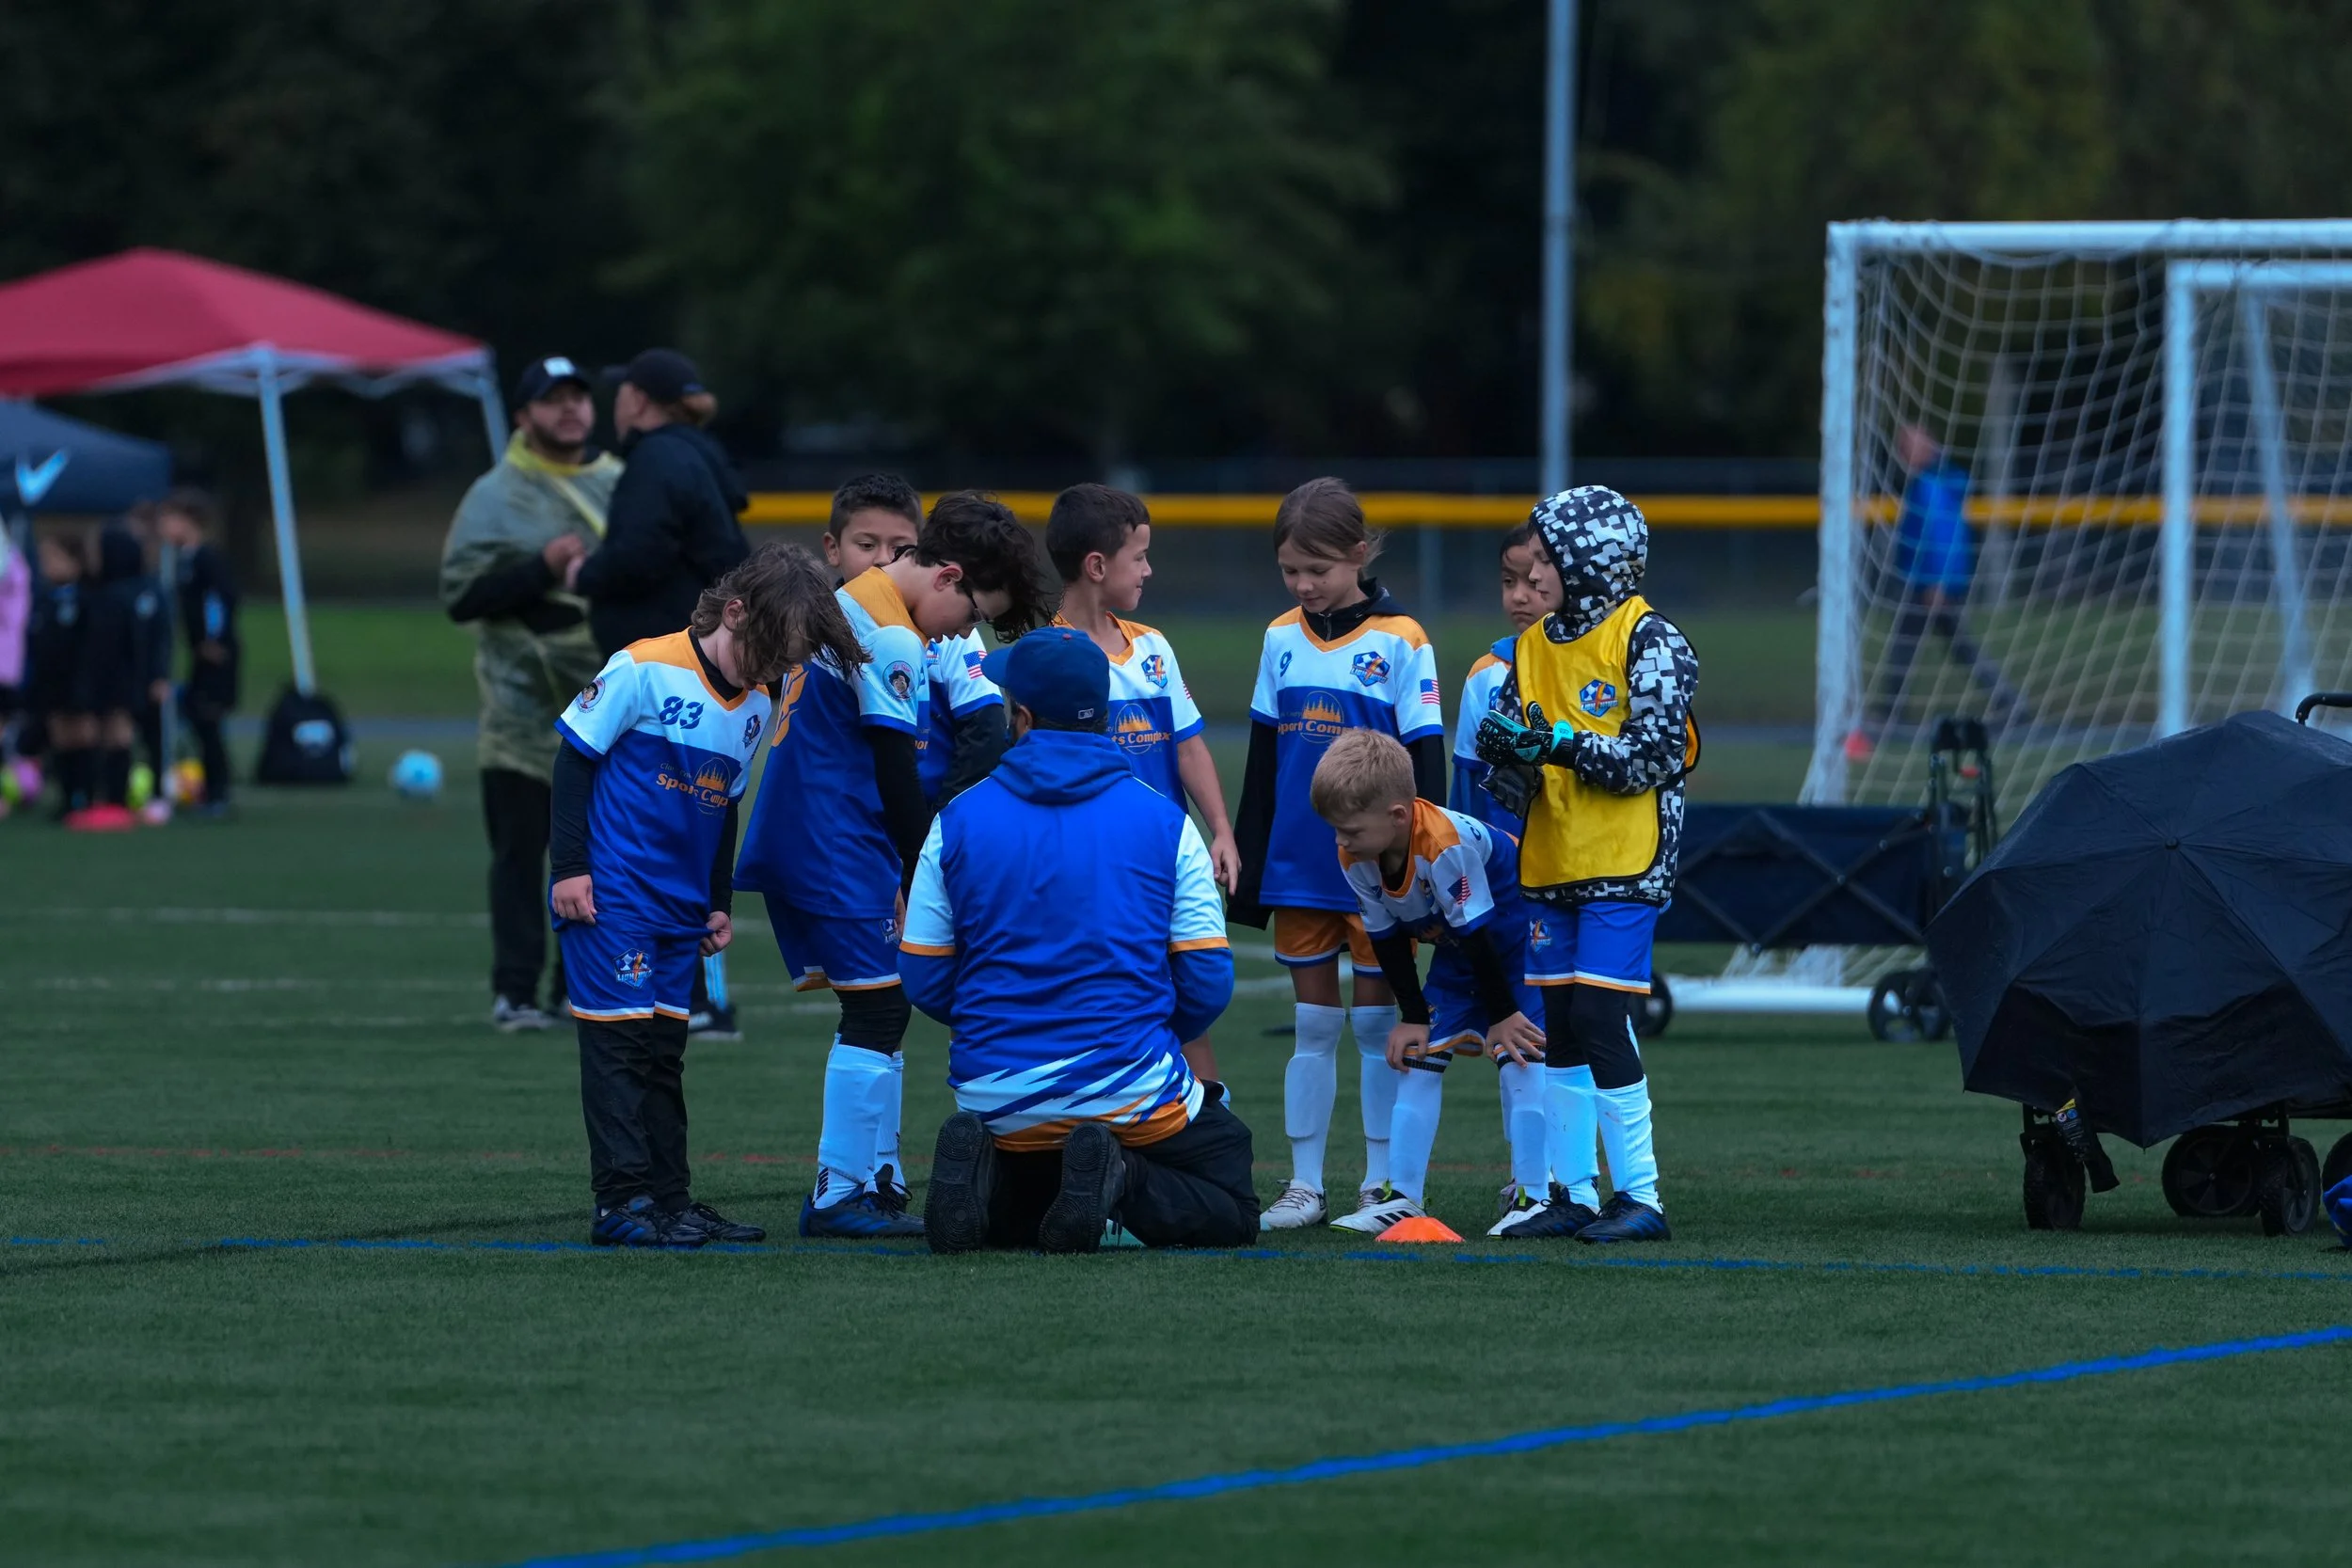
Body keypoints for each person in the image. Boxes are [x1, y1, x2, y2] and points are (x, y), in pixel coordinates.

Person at [734, 491, 1057, 1238]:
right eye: (973, 614)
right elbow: (892, 770)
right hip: (833, 841)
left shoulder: (859, 597)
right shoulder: (896, 635)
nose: (966, 631)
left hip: (815, 831)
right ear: (946, 577)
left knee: (883, 1003)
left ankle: (875, 1179)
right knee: (877, 1007)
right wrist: (924, 873)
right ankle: (841, 1191)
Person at [908, 626, 1255, 1253]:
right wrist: (1140, 1029)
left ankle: (991, 1185)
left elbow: (924, 975)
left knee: (1040, 1140)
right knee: (1233, 1195)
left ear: (1023, 718)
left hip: (993, 1085)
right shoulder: (1167, 822)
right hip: (1127, 1078)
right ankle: (1118, 1178)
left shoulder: (956, 818)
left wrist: (998, 1021)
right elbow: (1208, 980)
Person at [549, 544, 852, 1247]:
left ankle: (670, 1200)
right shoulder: (645, 666)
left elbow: (725, 806)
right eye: (772, 650)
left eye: (790, 659)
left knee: (663, 1053)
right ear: (736, 611)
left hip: (677, 907)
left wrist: (717, 899)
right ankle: (620, 1203)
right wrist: (570, 868)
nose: (778, 668)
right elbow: (573, 761)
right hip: (612, 896)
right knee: (619, 1050)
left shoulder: (756, 699)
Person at [1475, 485, 1698, 1243]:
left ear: (1594, 560)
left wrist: (1564, 744)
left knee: (1604, 1016)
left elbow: (1652, 758)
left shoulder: (1652, 640)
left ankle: (1643, 1196)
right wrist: (1508, 755)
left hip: (1625, 862)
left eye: (1548, 558)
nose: (1534, 575)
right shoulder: (1533, 644)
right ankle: (1571, 1192)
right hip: (1552, 858)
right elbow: (1516, 762)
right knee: (1561, 1026)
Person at [1230, 477, 1447, 1231]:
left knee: (1370, 1028)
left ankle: (1381, 1181)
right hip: (1298, 865)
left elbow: (1428, 762)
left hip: (1377, 871)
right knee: (1314, 1025)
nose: (1303, 585)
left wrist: (1422, 869)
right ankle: (1305, 1183)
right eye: (1291, 570)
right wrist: (1250, 862)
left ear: (1359, 553)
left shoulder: (1403, 640)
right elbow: (1262, 761)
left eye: (1316, 569)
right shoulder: (1279, 637)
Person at [567, 348, 753, 1040]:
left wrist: (587, 571)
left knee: (663, 826)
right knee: (697, 818)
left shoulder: (654, 459)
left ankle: (689, 993)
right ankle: (703, 995)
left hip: (669, 679)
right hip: (704, 672)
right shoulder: (700, 453)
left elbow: (640, 554)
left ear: (639, 401)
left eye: (621, 394)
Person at [1311, 730, 1550, 1237]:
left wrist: (1504, 1014)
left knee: (1520, 1053)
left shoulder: (1442, 846)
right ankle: (1401, 1198)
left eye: (1350, 830)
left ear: (1398, 818)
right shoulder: (1355, 855)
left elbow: (1482, 933)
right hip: (1465, 944)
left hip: (1516, 936)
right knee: (1417, 1057)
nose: (1340, 841)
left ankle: (1534, 1193)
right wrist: (1413, 1015)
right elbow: (1387, 937)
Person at [441, 356, 617, 1030]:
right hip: (517, 717)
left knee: (601, 856)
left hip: (607, 713)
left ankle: (581, 987)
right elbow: (461, 595)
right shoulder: (495, 495)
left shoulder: (620, 482)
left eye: (578, 395)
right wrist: (538, 569)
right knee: (519, 855)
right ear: (523, 416)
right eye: (552, 400)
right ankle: (514, 990)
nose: (570, 409)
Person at [1046, 482, 1240, 1086]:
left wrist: (1221, 830)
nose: (1150, 570)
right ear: (1097, 566)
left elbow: (1186, 744)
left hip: (1167, 862)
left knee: (1188, 1002)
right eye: (1140, 556)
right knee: (1103, 997)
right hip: (1093, 866)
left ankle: (1209, 1128)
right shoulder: (1048, 656)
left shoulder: (1152, 647)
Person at [821, 473, 1009, 806]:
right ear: (833, 548)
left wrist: (938, 828)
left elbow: (985, 731)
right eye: (866, 545)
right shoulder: (820, 625)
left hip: (921, 824)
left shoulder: (953, 631)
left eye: (898, 547)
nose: (881, 558)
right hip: (851, 825)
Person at [1850, 424, 2025, 761]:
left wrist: (1938, 584)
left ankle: (1891, 711)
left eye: (1912, 444)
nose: (1906, 452)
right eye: (1903, 445)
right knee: (1954, 646)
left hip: (1930, 584)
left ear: (1928, 447)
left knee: (1911, 644)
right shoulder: (1935, 483)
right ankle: (2009, 700)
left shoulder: (1932, 487)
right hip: (1929, 581)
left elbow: (1943, 540)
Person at [69, 525, 167, 831]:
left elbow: (146, 641)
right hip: (104, 679)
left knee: (119, 735)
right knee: (101, 736)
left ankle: (118, 802)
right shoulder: (97, 592)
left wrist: (154, 675)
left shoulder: (124, 596)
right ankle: (101, 800)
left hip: (119, 679)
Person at [155, 490, 241, 819]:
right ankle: (209, 785)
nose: (164, 528)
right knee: (196, 715)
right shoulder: (185, 559)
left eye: (169, 520)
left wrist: (212, 639)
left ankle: (219, 792)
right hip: (199, 653)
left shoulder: (207, 558)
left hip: (213, 654)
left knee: (208, 718)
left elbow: (219, 599)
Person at [25, 531, 88, 817]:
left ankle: (83, 795)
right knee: (59, 738)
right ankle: (67, 798)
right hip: (49, 683)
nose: (46, 565)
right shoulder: (43, 600)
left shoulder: (85, 600)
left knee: (79, 736)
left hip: (76, 683)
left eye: (53, 559)